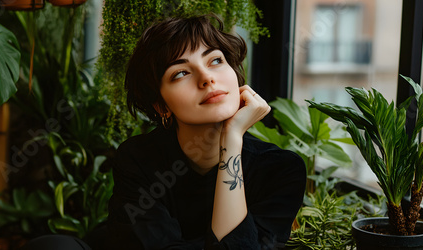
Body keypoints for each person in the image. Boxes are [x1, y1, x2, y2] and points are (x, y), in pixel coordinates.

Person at [107, 14, 306, 249]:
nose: (207, 78)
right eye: (180, 73)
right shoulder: (137, 160)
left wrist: (231, 140)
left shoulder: (280, 170)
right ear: (162, 106)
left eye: (215, 61)